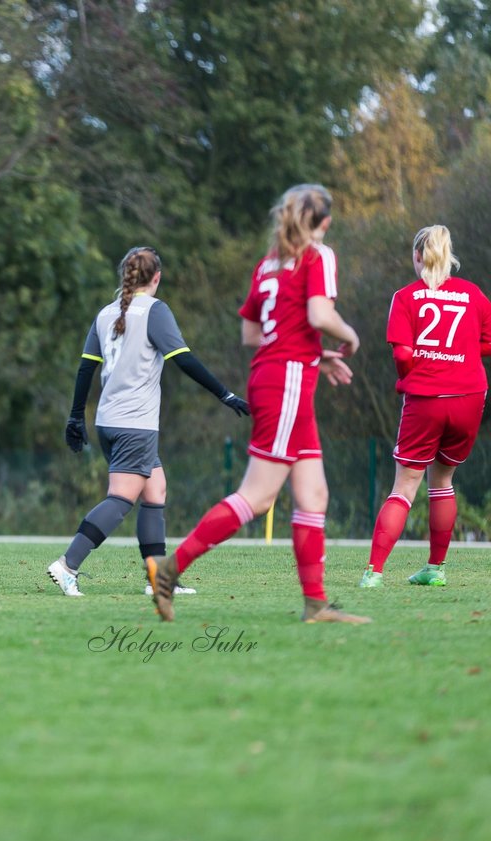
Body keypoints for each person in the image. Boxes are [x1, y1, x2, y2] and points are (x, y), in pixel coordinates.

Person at [147, 183, 371, 624]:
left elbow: (252, 335)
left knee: (313, 494)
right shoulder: (318, 255)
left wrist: (312, 354)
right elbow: (319, 316)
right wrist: (350, 336)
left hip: (279, 376)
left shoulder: (267, 265)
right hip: (287, 382)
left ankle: (315, 604)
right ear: (324, 222)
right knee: (258, 497)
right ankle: (170, 571)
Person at [48, 246, 250, 597]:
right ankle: (68, 564)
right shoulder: (155, 311)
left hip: (110, 423)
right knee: (121, 498)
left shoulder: (105, 313)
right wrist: (225, 394)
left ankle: (158, 578)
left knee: (155, 490)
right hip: (135, 425)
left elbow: (85, 368)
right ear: (156, 277)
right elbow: (184, 359)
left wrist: (76, 416)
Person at [360, 226, 491, 588]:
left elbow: (402, 354)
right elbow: (487, 342)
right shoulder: (474, 295)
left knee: (404, 487)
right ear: (449, 257)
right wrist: (459, 355)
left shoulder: (406, 297)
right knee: (444, 480)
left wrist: (415, 367)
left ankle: (374, 573)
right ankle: (435, 568)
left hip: (427, 398)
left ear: (418, 256)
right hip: (469, 398)